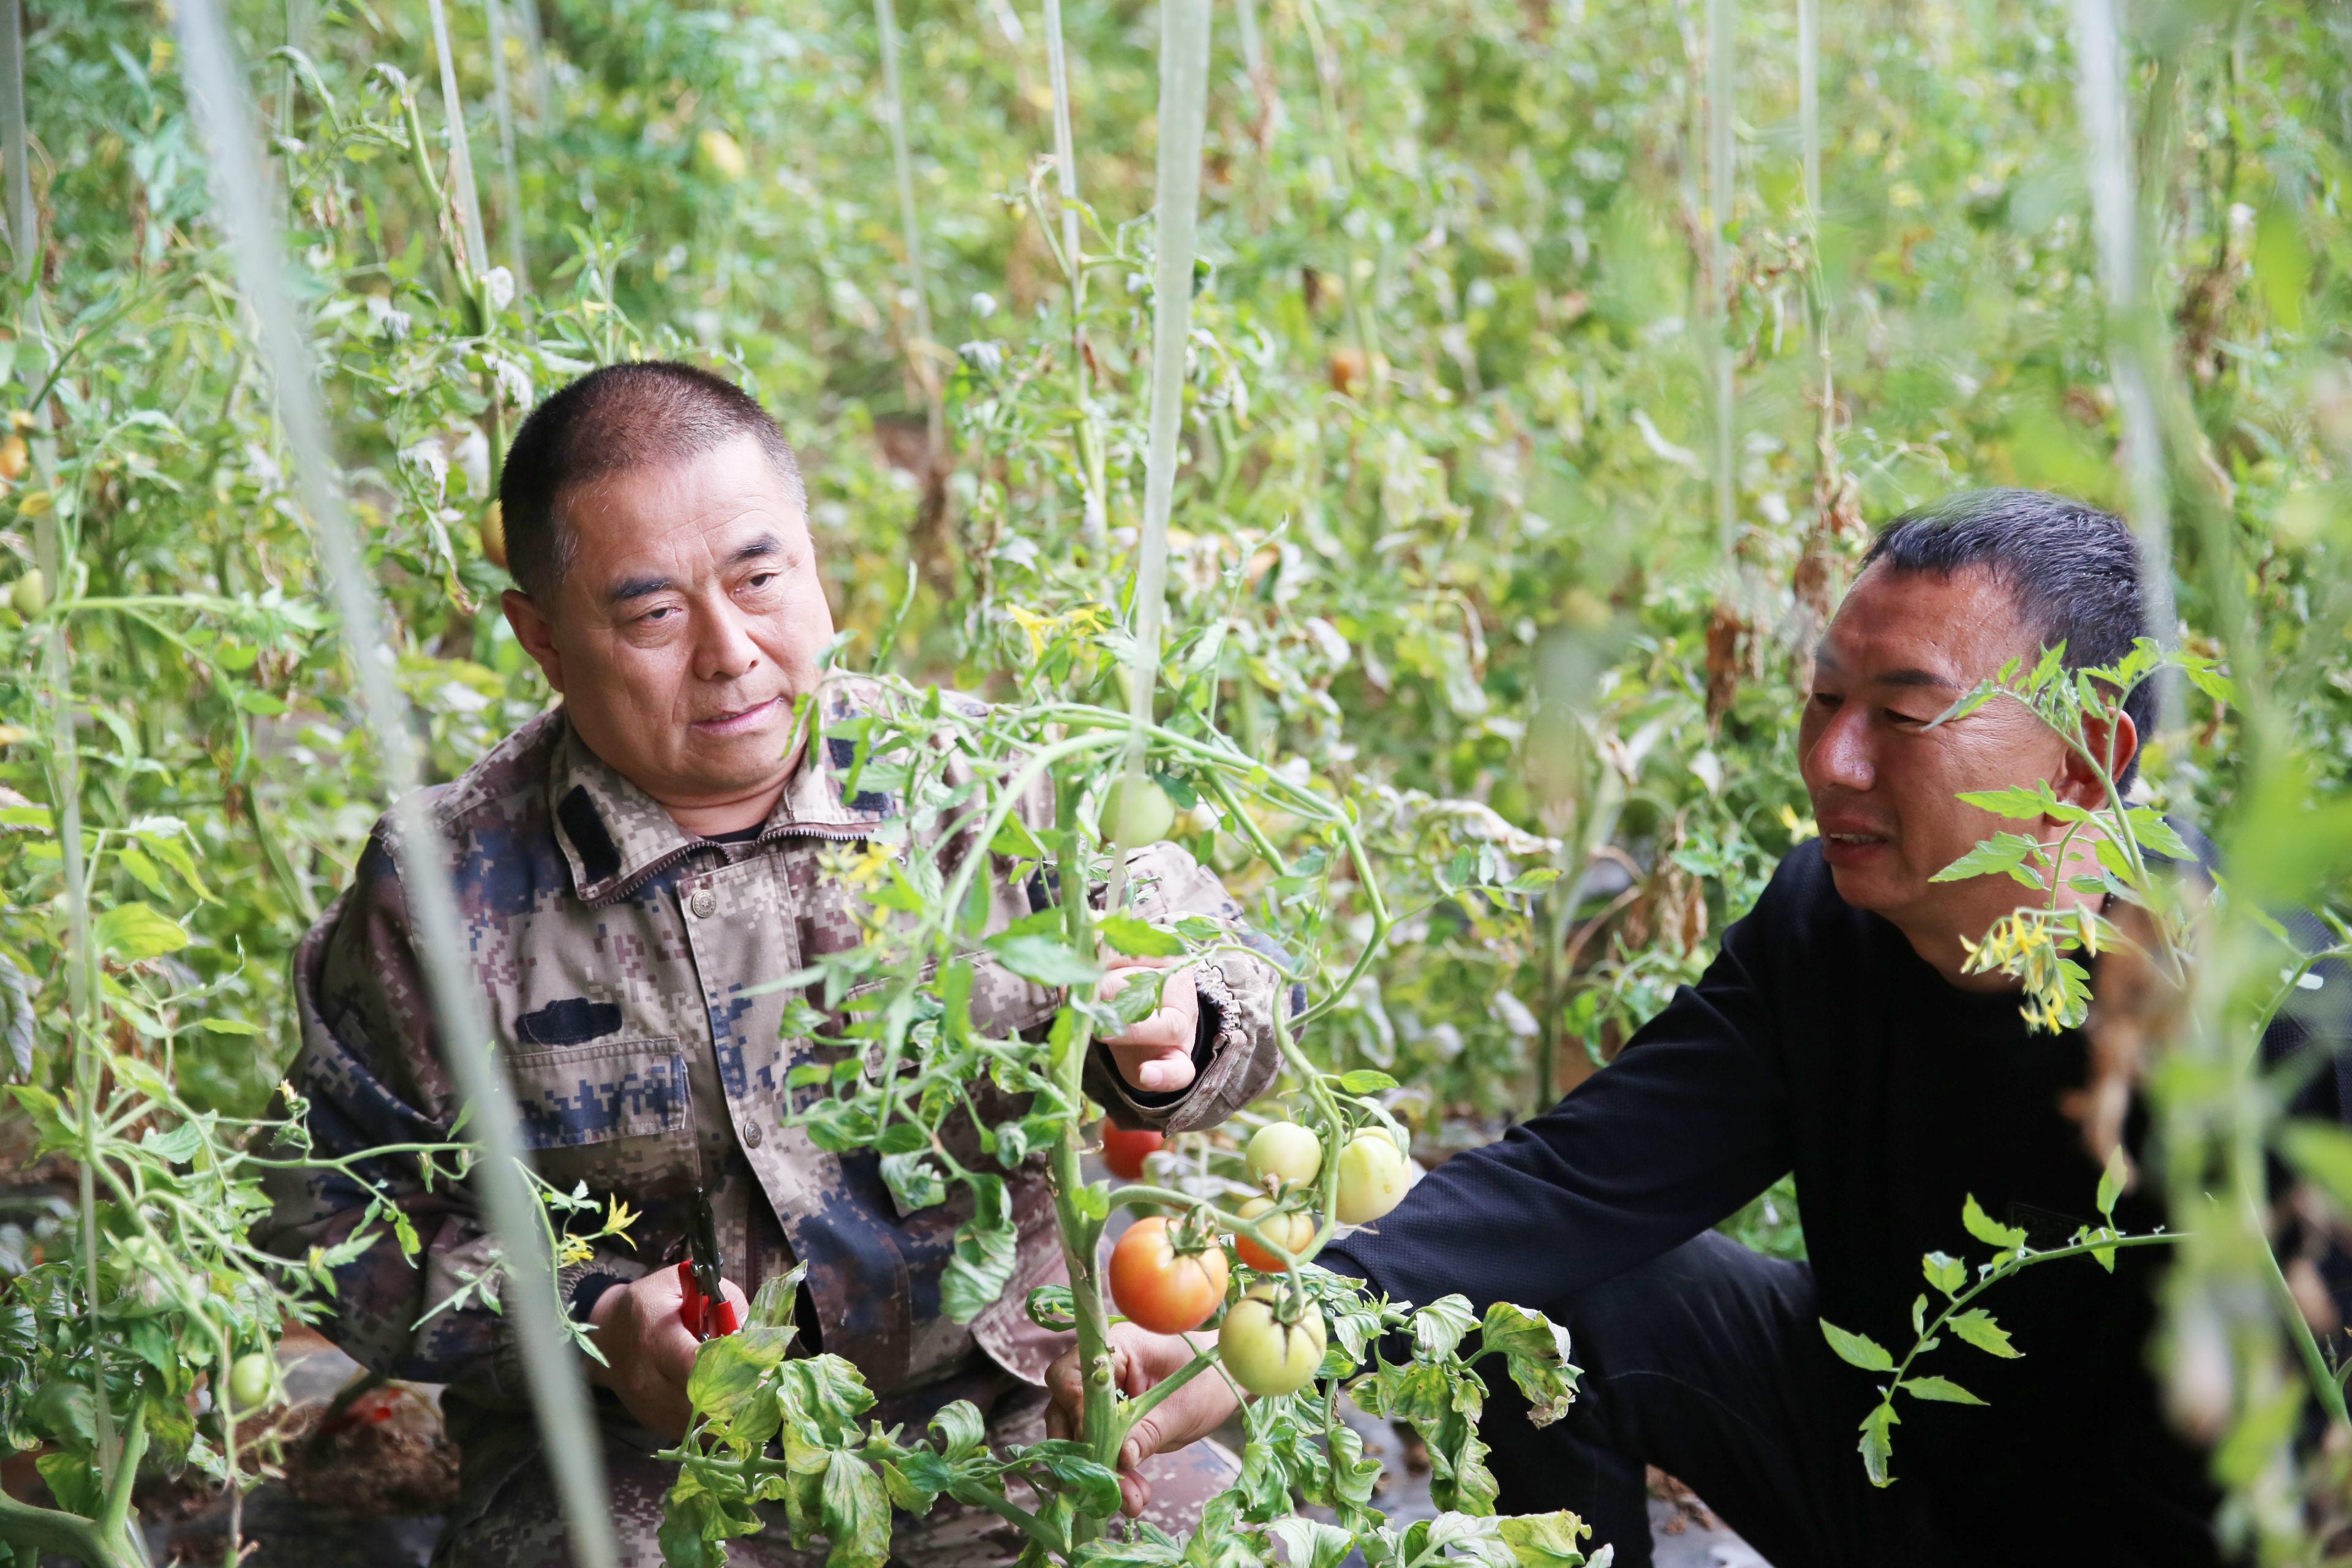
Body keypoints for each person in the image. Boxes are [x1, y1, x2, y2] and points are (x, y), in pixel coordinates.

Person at [1049, 490, 2352, 1567]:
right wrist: (1277, 1330)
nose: (1832, 759)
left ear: (2083, 762)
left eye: (1900, 715)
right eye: (1822, 701)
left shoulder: (2266, 1023)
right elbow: (1577, 1181)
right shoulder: (1824, 926)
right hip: (1895, 1468)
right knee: (1553, 1299)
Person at [263, 362, 1286, 1566]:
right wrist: (588, 1320)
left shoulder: (989, 787)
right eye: (653, 615)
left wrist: (1179, 1028)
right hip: (649, 1460)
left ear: (815, 562)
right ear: (540, 635)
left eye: (763, 579)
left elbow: (1226, 956)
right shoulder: (443, 889)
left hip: (1011, 1408)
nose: (731, 651)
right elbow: (319, 1208)